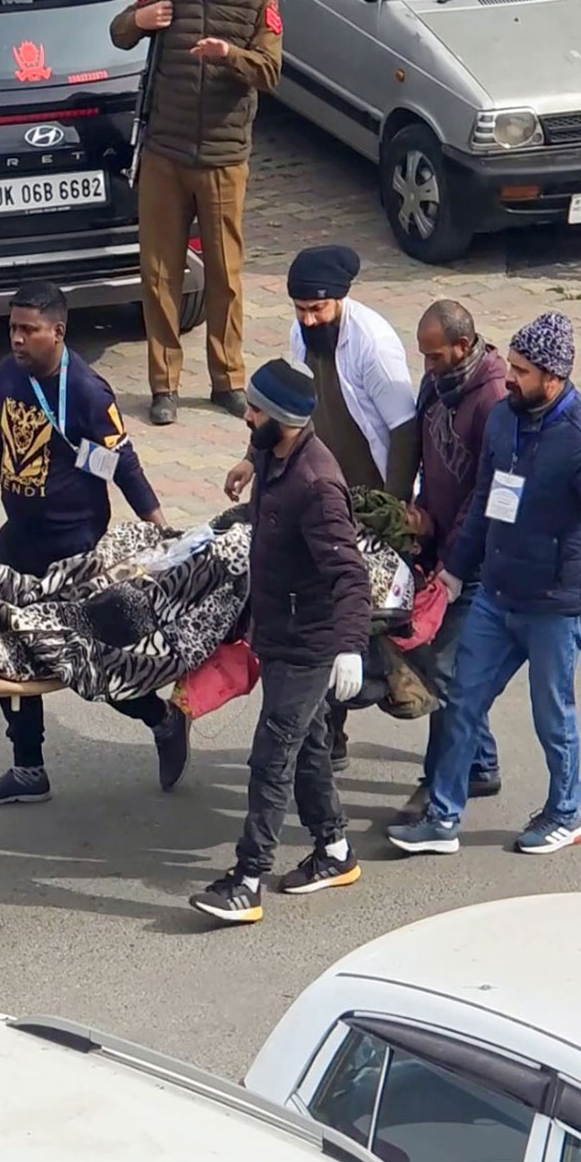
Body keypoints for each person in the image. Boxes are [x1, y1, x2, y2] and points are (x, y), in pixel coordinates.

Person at [388, 313, 581, 857]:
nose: (509, 378)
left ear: (554, 377)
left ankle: (566, 814)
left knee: (552, 716)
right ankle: (442, 818)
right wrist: (455, 571)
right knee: (461, 700)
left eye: (522, 372)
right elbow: (487, 499)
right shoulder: (505, 418)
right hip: (497, 595)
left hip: (554, 606)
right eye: (511, 366)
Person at [0, 281, 191, 806]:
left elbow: (124, 465)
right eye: (13, 328)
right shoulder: (8, 375)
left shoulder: (87, 391)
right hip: (18, 543)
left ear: (58, 332)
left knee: (88, 662)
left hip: (74, 550)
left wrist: (160, 530)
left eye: (29, 329)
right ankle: (28, 767)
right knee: (7, 653)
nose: (18, 339)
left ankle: (161, 717)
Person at [188, 359, 371, 925]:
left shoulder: (317, 486)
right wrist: (249, 464)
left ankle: (248, 881)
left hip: (308, 645)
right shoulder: (276, 451)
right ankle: (335, 849)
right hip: (277, 631)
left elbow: (350, 576)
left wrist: (350, 646)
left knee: (272, 758)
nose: (247, 417)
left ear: (285, 419)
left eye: (255, 411)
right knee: (310, 746)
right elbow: (261, 451)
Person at [226, 245, 418, 771]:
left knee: (378, 620)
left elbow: (404, 431)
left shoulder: (374, 344)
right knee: (317, 611)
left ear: (341, 300)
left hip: (372, 495)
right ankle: (327, 737)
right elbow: (288, 409)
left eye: (318, 309)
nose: (309, 320)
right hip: (319, 488)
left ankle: (450, 733)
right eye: (300, 309)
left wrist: (392, 512)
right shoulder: (302, 335)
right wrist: (251, 458)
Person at [111, 0, 283, 426]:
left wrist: (229, 54)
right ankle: (163, 385)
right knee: (159, 273)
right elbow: (118, 33)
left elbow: (270, 71)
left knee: (224, 274)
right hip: (165, 153)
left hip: (223, 158)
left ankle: (227, 380)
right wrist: (139, 21)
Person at [398, 300, 508, 817]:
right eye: (423, 356)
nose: (427, 366)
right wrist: (419, 513)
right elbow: (426, 456)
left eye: (435, 356)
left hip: (474, 560)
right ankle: (480, 764)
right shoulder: (437, 384)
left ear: (463, 347)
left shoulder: (493, 400)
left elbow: (485, 495)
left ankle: (440, 782)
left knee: (443, 671)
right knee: (447, 666)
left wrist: (455, 564)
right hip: (440, 545)